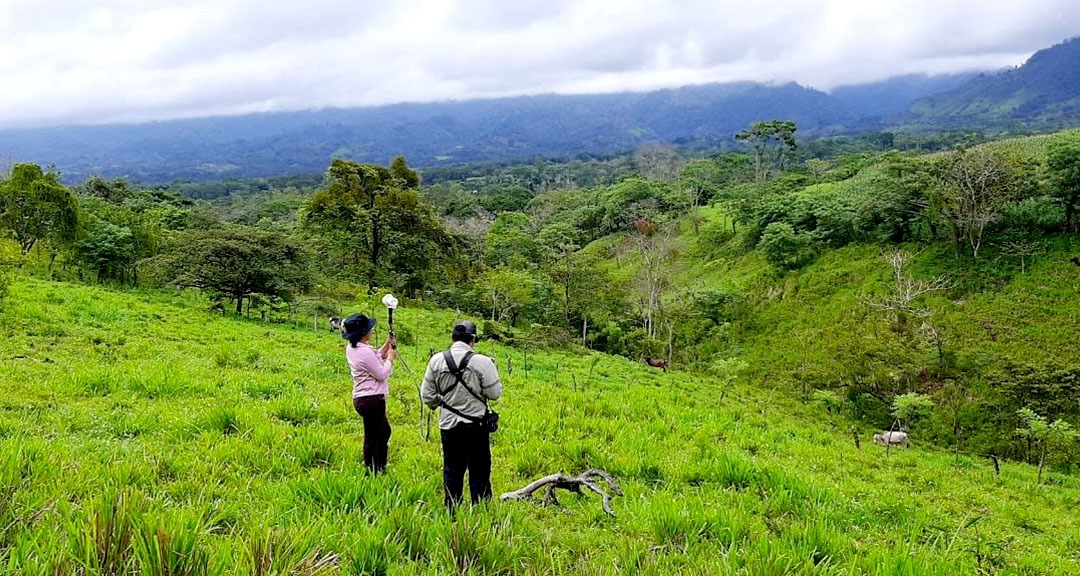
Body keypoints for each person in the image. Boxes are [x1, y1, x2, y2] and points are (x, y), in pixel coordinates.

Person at [420, 320, 502, 511]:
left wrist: (443, 404)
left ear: (452, 338)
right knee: (479, 469)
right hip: (476, 425)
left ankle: (452, 510)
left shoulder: (436, 361)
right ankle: (481, 510)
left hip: (448, 424)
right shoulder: (483, 362)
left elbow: (427, 396)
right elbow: (494, 394)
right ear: (473, 340)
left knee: (452, 469)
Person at [342, 312, 397, 473]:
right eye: (369, 329)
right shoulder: (364, 352)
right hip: (372, 399)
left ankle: (379, 466)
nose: (371, 330)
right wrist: (390, 358)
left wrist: (387, 344)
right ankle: (372, 469)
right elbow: (380, 373)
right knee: (374, 436)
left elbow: (374, 357)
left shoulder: (355, 348)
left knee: (383, 432)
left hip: (364, 398)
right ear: (363, 333)